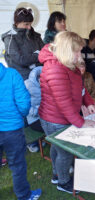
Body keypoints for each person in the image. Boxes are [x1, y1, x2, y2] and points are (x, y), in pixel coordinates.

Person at [38, 31, 95, 194]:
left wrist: (89, 102)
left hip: (57, 117)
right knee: (65, 152)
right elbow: (64, 104)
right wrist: (81, 122)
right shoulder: (55, 69)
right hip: (54, 119)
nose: (79, 54)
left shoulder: (66, 63)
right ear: (66, 49)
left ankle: (57, 174)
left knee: (57, 148)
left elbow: (80, 87)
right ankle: (63, 182)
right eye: (77, 51)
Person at [0, 62, 42, 200]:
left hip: (11, 127)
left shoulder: (11, 74)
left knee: (17, 165)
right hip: (12, 129)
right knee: (17, 165)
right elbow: (24, 104)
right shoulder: (11, 74)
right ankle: (24, 196)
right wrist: (19, 116)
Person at [1, 7, 44, 80]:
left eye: (30, 24)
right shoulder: (10, 38)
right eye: (26, 24)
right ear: (17, 23)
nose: (29, 27)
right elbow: (21, 60)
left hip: (42, 75)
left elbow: (46, 53)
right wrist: (38, 55)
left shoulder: (36, 36)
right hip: (23, 79)